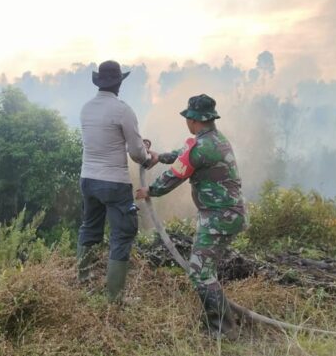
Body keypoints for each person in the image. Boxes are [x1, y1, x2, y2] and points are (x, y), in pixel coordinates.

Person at [135, 94, 245, 339]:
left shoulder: (202, 147)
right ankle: (224, 320)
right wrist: (160, 156)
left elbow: (176, 174)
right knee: (205, 269)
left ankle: (223, 330)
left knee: (200, 271)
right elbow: (183, 152)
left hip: (219, 217)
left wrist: (149, 190)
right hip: (225, 215)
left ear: (194, 121)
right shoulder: (214, 140)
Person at [78, 60, 157, 303]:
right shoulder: (123, 110)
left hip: (88, 179)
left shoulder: (86, 108)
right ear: (119, 83)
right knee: (122, 233)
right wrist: (148, 156)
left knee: (90, 229)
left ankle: (85, 284)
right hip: (114, 183)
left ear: (99, 82)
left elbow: (105, 141)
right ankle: (114, 297)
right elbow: (135, 152)